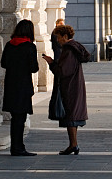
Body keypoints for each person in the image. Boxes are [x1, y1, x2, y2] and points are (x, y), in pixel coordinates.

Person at [43, 24, 91, 155]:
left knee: (70, 114)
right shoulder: (74, 47)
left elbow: (63, 71)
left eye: (58, 37)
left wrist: (51, 63)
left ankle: (73, 144)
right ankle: (73, 144)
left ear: (65, 36)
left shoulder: (68, 50)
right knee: (72, 114)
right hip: (76, 84)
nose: (57, 40)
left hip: (70, 86)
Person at [1, 19, 39, 156]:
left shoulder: (9, 45)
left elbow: (3, 63)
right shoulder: (29, 47)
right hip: (23, 86)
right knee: (20, 118)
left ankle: (16, 146)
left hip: (11, 85)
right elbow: (34, 68)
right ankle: (18, 147)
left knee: (15, 117)